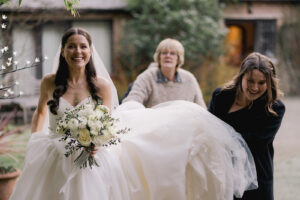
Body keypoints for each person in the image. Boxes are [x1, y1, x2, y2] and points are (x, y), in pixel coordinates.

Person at [10, 28, 257, 200]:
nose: (78, 51)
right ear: (62, 50)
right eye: (71, 46)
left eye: (83, 46)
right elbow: (41, 112)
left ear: (90, 50)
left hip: (91, 157)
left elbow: (109, 124)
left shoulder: (102, 86)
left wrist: (97, 143)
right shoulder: (49, 82)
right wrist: (35, 142)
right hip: (53, 155)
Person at [208, 52, 285, 200]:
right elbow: (208, 130)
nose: (255, 87)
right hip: (221, 173)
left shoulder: (274, 108)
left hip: (256, 179)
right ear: (241, 76)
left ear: (269, 83)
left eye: (262, 83)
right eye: (250, 81)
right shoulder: (220, 96)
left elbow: (255, 141)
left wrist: (220, 137)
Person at [122, 38, 207, 108]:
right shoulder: (147, 77)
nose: (168, 56)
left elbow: (201, 108)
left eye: (172, 53)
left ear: (178, 58)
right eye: (164, 53)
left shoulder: (189, 79)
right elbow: (131, 102)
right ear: (159, 57)